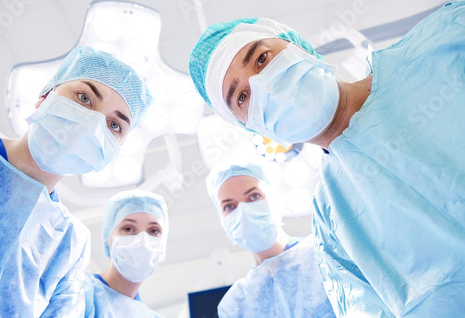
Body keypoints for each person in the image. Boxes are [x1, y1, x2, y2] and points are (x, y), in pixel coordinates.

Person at [189, 2, 465, 317]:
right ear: (252, 127)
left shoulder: (445, 41)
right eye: (242, 97)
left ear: (294, 43)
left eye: (262, 58)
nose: (262, 85)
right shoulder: (334, 226)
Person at [0, 46, 153, 317]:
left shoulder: (69, 242)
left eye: (115, 125)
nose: (92, 124)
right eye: (84, 98)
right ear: (45, 96)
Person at [206, 162, 334, 318]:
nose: (244, 212)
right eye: (229, 206)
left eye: (254, 196)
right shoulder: (235, 305)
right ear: (223, 221)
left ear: (276, 200)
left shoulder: (325, 254)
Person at [84, 189, 168, 318]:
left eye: (154, 231)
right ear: (109, 238)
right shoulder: (77, 292)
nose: (143, 241)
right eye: (128, 228)